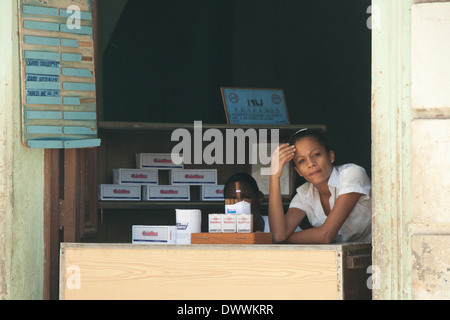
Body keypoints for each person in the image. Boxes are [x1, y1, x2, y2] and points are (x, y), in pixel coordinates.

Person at [268, 128, 371, 244]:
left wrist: (285, 239)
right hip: (335, 258)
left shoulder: (352, 174)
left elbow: (325, 235)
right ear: (299, 171)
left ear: (331, 156)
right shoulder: (304, 193)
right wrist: (274, 177)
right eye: (302, 160)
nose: (311, 164)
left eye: (316, 154)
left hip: (377, 256)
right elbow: (278, 235)